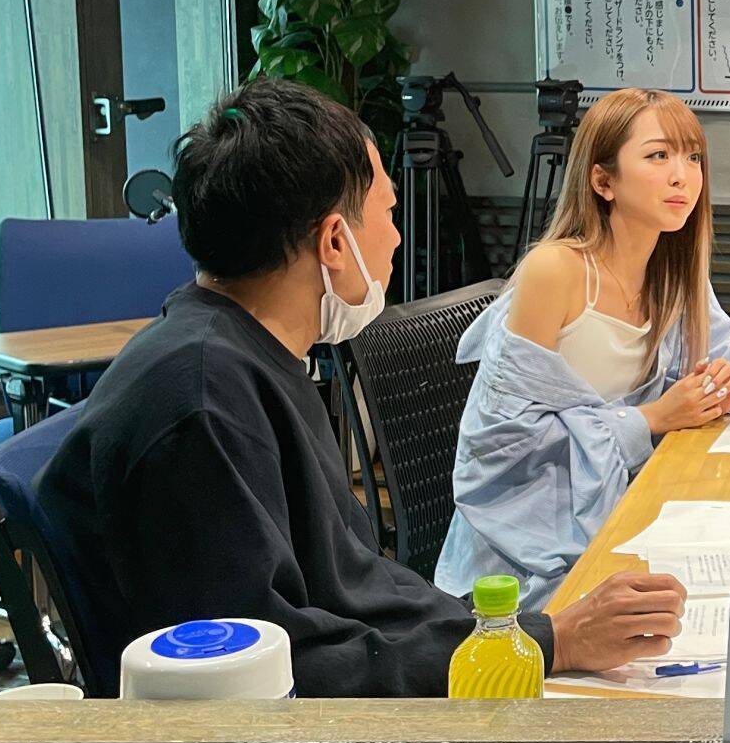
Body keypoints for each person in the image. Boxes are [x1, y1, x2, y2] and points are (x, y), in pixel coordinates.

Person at [40, 79, 684, 696]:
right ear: (334, 241)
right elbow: (280, 673)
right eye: (389, 213)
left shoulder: (253, 354)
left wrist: (517, 632)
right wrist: (550, 642)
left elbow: (353, 585)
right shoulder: (204, 407)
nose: (398, 237)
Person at [436, 88, 730, 603]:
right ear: (603, 181)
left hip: (630, 513)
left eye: (693, 158)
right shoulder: (555, 270)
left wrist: (726, 381)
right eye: (658, 156)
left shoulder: (674, 270)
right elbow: (503, 447)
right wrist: (652, 418)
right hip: (526, 558)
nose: (682, 176)